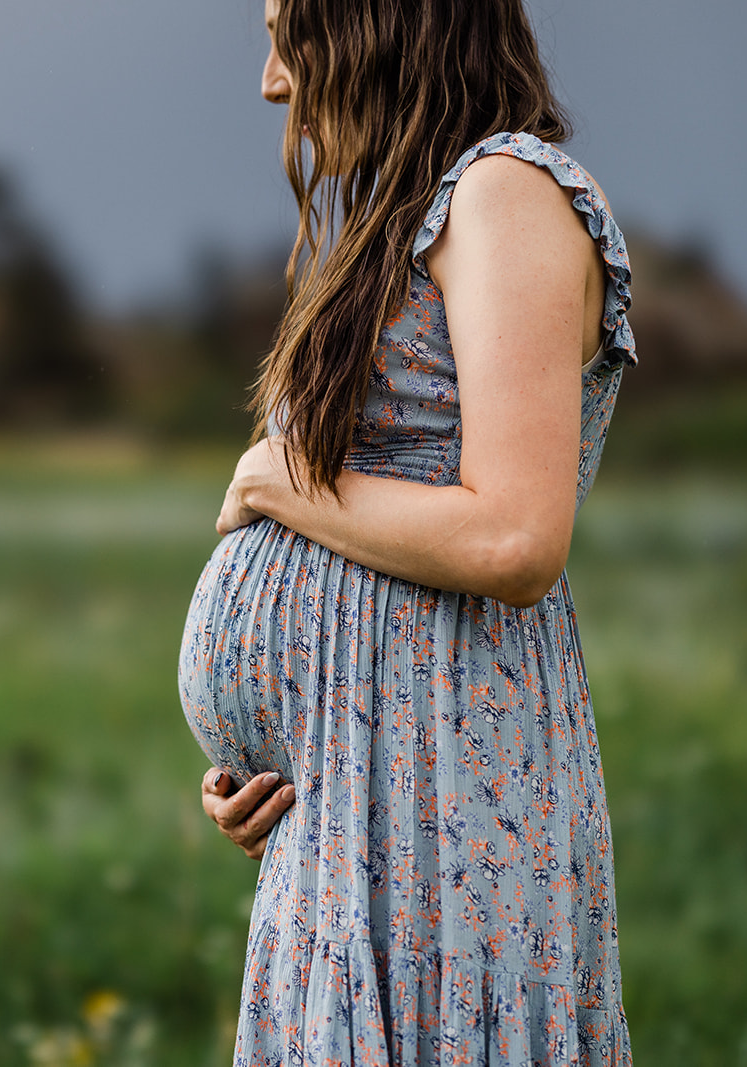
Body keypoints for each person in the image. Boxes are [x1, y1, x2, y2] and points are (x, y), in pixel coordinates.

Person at [177, 0, 636, 1062]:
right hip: (355, 807)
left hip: (448, 807)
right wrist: (267, 757)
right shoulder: (422, 213)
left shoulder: (505, 192)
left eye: (290, 33)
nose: (272, 81)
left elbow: (516, 538)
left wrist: (283, 483)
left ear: (381, 23)